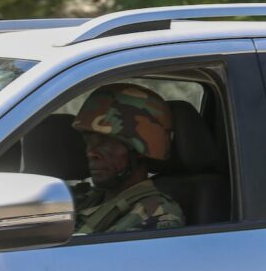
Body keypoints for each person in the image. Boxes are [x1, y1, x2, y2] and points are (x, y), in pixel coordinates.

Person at [70, 83, 185, 233]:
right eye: (88, 141)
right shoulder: (87, 199)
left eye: (104, 142)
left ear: (139, 150)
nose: (90, 152)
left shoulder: (157, 214)